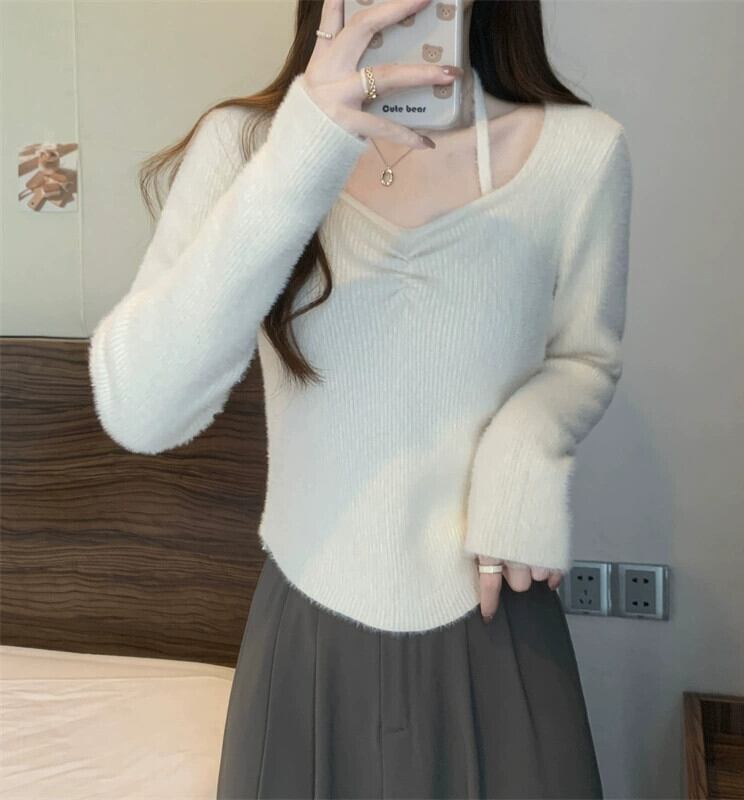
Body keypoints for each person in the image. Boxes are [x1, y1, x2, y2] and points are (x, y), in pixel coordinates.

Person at [88, 0, 633, 796]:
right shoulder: (247, 145)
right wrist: (304, 148)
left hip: (501, 615)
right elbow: (141, 409)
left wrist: (523, 450)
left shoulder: (581, 151)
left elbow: (586, 357)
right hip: (306, 626)